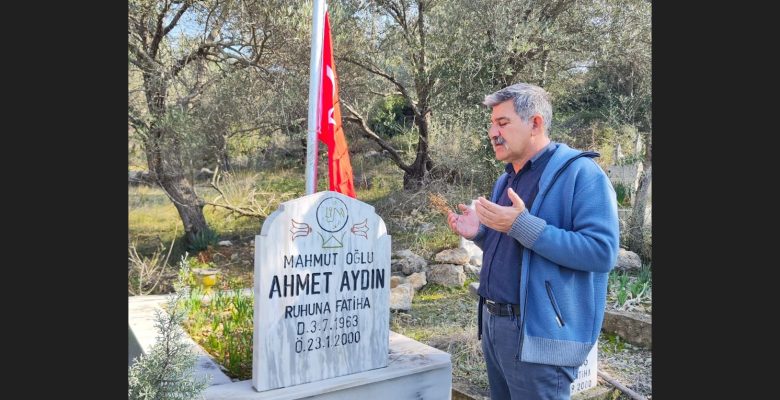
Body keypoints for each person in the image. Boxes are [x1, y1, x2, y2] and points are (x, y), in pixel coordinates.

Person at [446, 82, 619, 400]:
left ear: (535, 123)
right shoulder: (506, 179)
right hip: (494, 326)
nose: (492, 133)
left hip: (541, 337)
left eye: (503, 123)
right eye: (491, 124)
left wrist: (522, 225)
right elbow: (518, 247)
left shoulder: (582, 174)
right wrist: (481, 234)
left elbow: (602, 252)